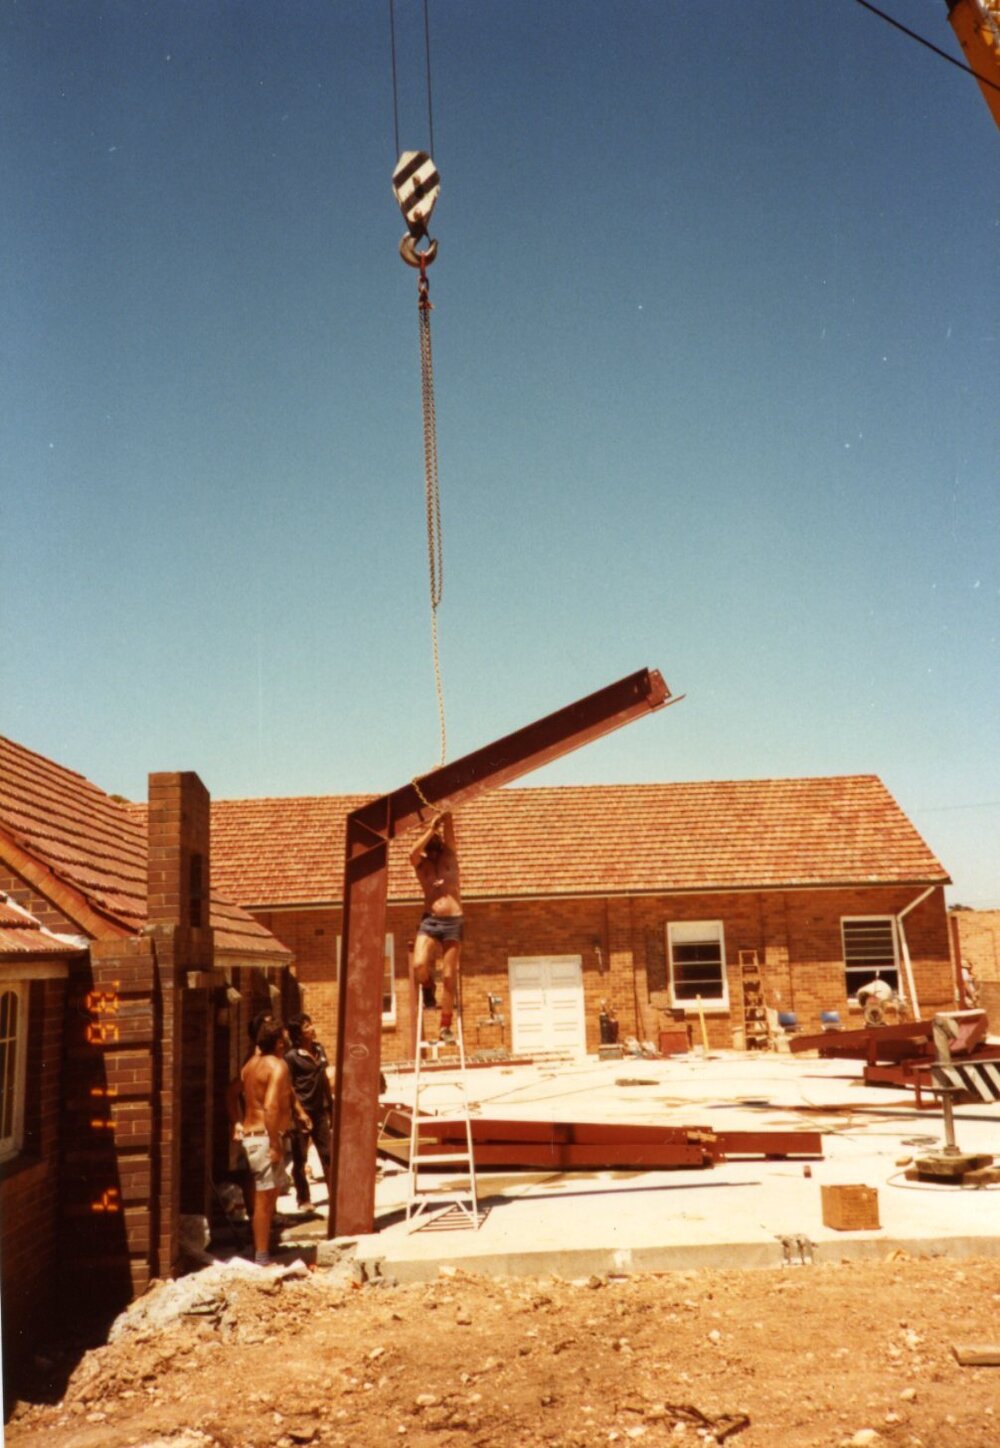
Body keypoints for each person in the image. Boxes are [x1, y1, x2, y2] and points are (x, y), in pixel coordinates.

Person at [239, 1019, 294, 1267]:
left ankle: (263, 1250)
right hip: (264, 1137)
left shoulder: (251, 1066)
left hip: (252, 1135)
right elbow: (270, 1105)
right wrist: (275, 1143)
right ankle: (261, 1257)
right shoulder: (278, 1065)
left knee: (268, 1198)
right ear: (280, 1042)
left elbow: (238, 1092)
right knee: (264, 1200)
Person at [410, 810, 463, 1045]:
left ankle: (445, 1026)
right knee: (419, 964)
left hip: (453, 922)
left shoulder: (450, 855)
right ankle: (428, 989)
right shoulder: (422, 866)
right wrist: (430, 828)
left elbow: (450, 823)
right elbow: (411, 853)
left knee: (450, 975)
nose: (436, 841)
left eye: (437, 837)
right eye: (431, 839)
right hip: (430, 920)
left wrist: (444, 814)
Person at [284, 1014, 332, 1206]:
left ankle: (334, 1193)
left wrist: (331, 1104)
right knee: (300, 1157)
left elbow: (325, 1078)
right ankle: (303, 1198)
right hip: (301, 1112)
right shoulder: (291, 1057)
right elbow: (289, 1087)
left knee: (327, 1153)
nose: (312, 1028)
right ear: (298, 1034)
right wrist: (299, 1113)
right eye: (306, 1027)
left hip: (320, 1110)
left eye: (311, 1024)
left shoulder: (319, 1049)